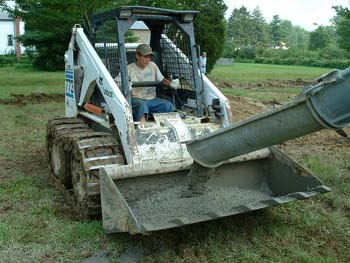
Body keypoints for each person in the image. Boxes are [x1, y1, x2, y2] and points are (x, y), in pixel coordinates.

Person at [128, 44, 179, 123]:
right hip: (136, 99)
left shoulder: (152, 65)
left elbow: (162, 80)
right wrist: (125, 85)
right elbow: (116, 83)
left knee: (168, 105)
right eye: (145, 57)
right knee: (142, 106)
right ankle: (143, 128)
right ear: (137, 56)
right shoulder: (129, 69)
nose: (148, 60)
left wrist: (171, 84)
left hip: (152, 99)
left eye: (150, 57)